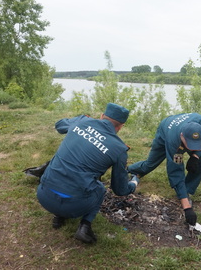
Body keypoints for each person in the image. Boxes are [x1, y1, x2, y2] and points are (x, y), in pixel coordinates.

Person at [37, 103, 139, 244]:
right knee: (100, 188)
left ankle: (58, 216)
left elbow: (60, 125)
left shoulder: (82, 121)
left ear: (102, 116)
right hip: (75, 206)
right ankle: (85, 226)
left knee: (63, 174)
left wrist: (79, 119)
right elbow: (120, 189)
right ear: (121, 126)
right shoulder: (119, 149)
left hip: (43, 194)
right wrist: (133, 183)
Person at [127, 113, 201, 227]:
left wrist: (195, 156)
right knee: (150, 164)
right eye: (189, 145)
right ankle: (129, 169)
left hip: (183, 129)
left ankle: (186, 191)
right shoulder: (174, 142)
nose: (191, 149)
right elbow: (176, 172)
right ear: (182, 136)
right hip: (165, 130)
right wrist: (187, 208)